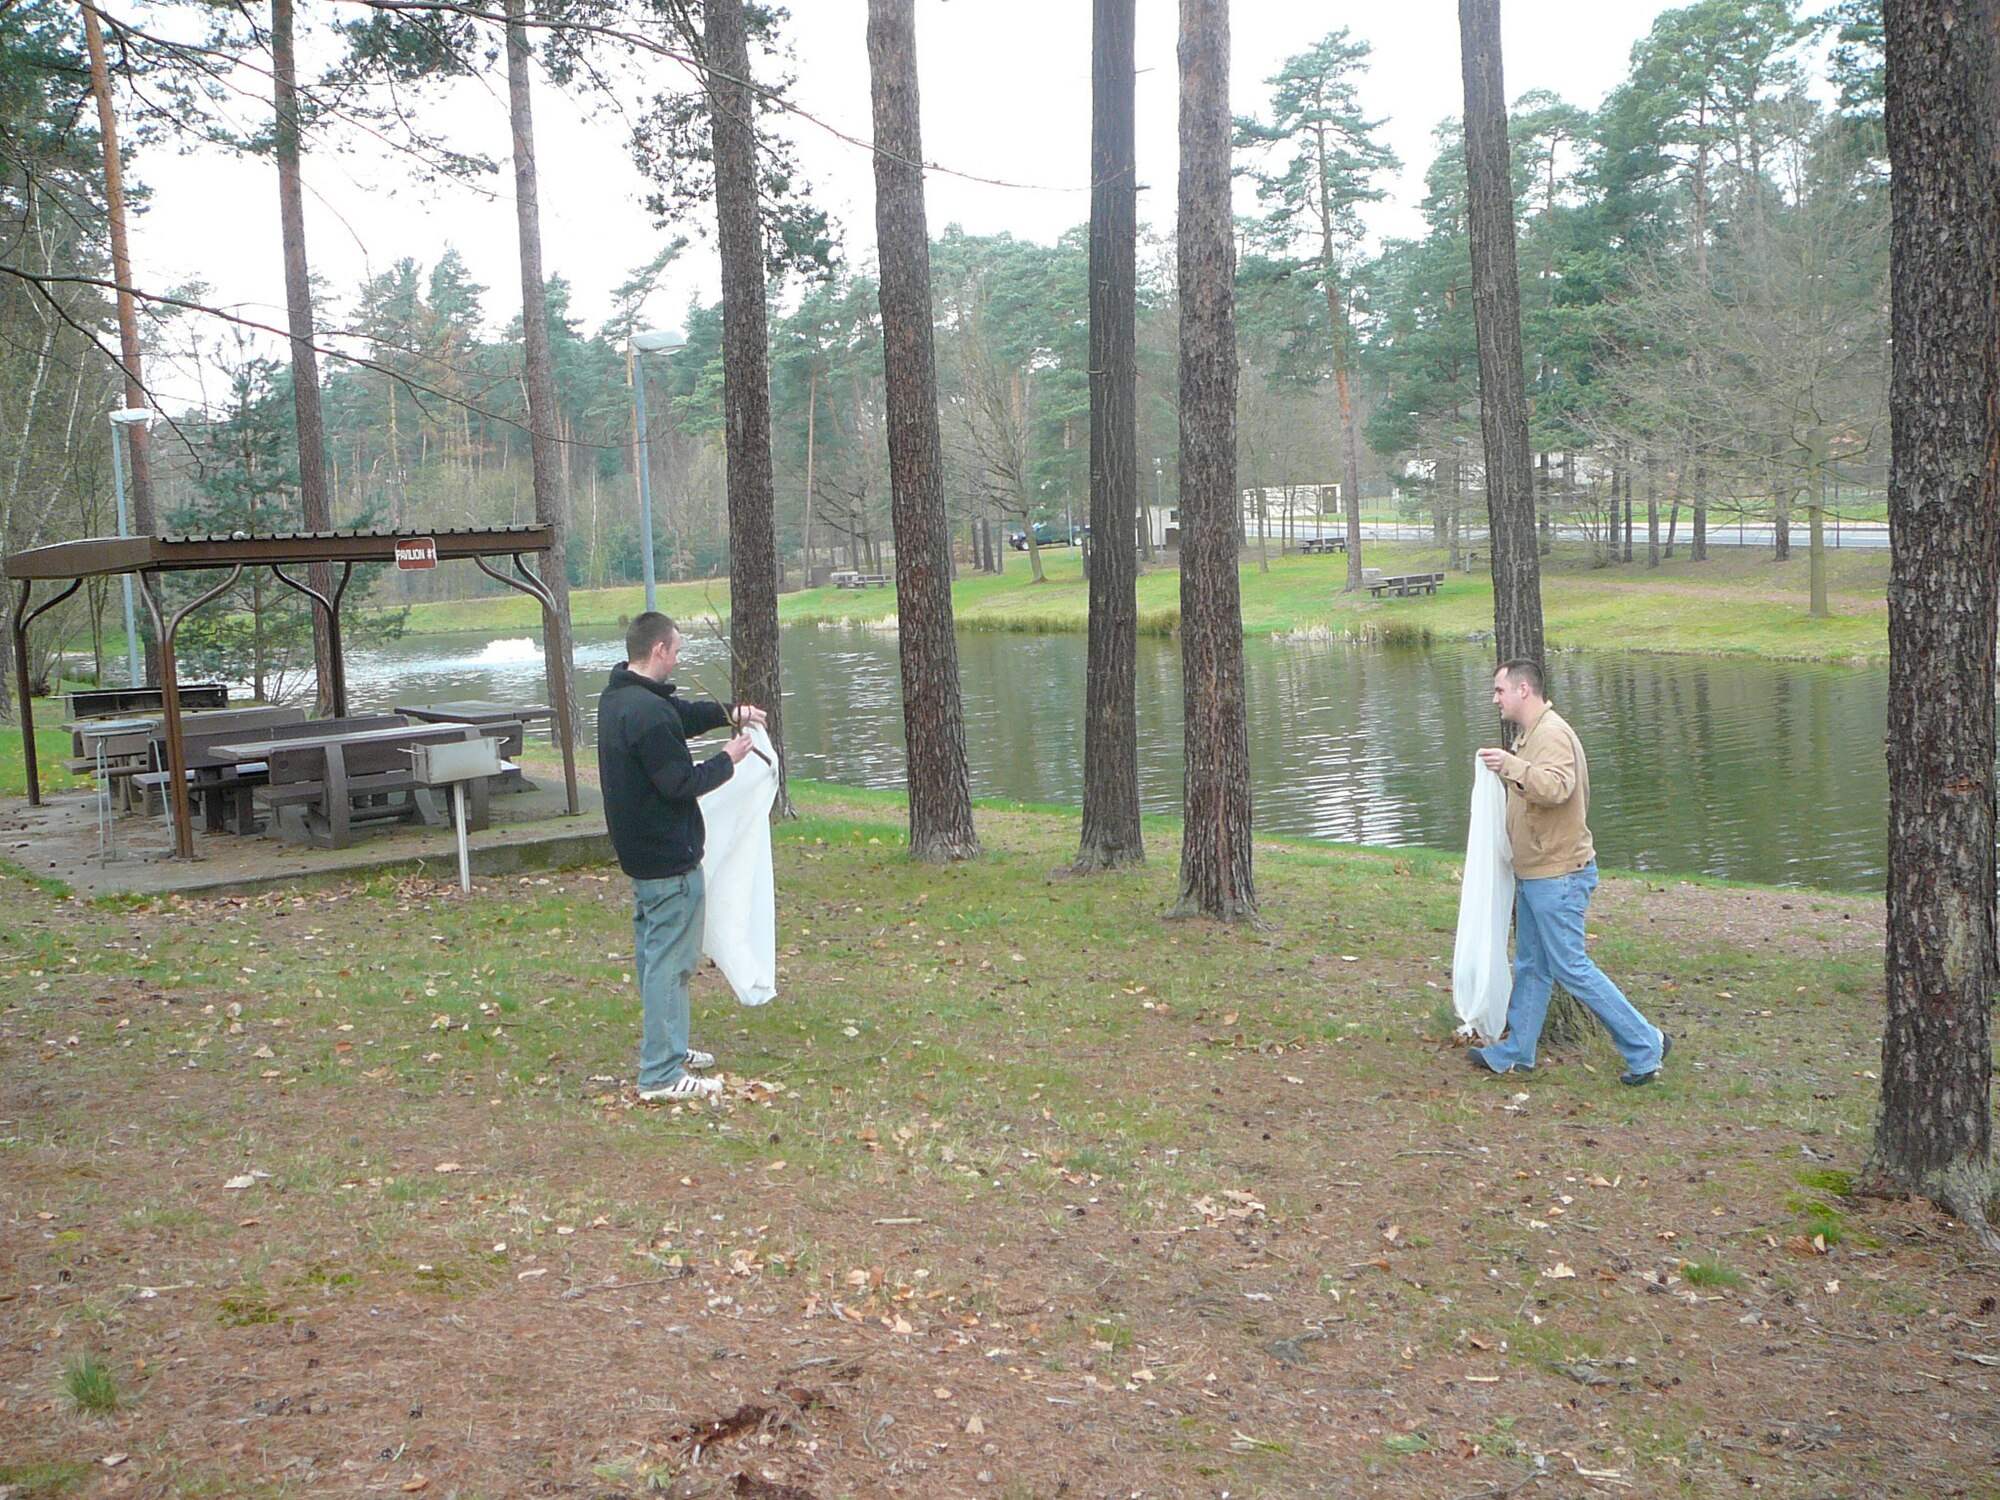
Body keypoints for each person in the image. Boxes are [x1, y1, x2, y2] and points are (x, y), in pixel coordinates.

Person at [1468, 658, 1671, 1086]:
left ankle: (1645, 1043)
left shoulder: (1553, 734)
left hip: (1558, 875)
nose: (1495, 699)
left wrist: (1509, 766)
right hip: (1537, 873)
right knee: (1531, 966)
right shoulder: (1532, 735)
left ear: (1524, 690)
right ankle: (1516, 1052)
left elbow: (1558, 788)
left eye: (1500, 691)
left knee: (1570, 968)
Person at [597, 611, 765, 1102]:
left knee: (655, 959)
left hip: (642, 856)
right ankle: (662, 1075)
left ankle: (668, 1045)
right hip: (668, 860)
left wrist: (729, 712)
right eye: (676, 650)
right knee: (672, 963)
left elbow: (678, 719)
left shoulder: (621, 698)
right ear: (659, 652)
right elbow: (680, 782)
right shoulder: (645, 714)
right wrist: (727, 759)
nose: (678, 657)